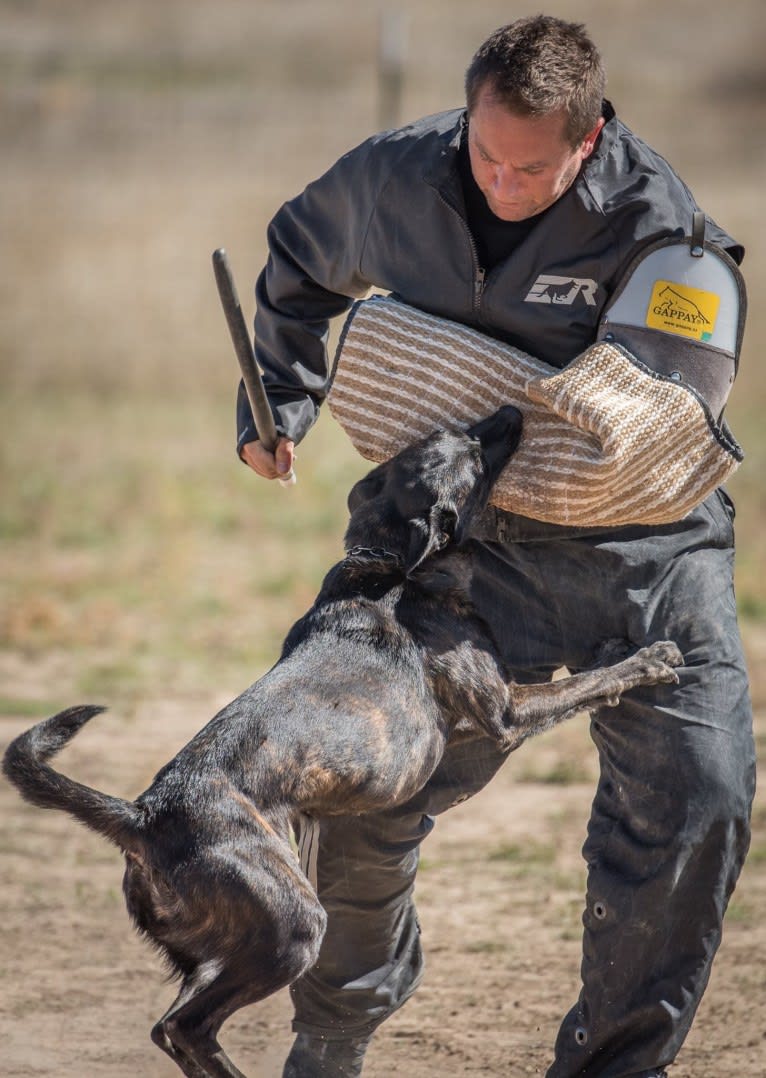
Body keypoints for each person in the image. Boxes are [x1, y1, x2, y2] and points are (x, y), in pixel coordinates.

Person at [236, 16, 754, 1078]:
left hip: (646, 553)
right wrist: (279, 401)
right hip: (473, 549)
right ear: (464, 116)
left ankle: (616, 1063)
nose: (504, 184)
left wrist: (467, 390)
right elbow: (298, 261)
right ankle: (335, 1028)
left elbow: (648, 429)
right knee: (362, 781)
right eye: (485, 156)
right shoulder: (391, 180)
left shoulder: (667, 236)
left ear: (589, 136)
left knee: (700, 796)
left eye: (532, 168)